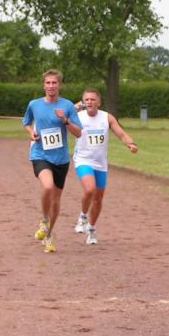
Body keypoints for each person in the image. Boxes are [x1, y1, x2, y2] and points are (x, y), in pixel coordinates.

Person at [23, 70, 82, 253]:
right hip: (40, 154)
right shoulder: (34, 104)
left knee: (56, 200)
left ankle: (49, 235)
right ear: (43, 85)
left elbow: (78, 133)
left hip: (61, 159)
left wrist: (65, 120)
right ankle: (44, 220)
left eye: (54, 83)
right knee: (47, 187)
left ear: (59, 85)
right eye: (48, 83)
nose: (51, 86)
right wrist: (31, 133)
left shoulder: (68, 106)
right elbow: (26, 123)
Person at [73, 88, 138, 245]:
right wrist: (72, 109)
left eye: (93, 99)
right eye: (87, 100)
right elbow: (60, 119)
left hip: (101, 163)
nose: (90, 102)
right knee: (90, 189)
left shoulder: (107, 117)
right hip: (83, 160)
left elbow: (121, 134)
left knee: (98, 199)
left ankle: (91, 229)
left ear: (99, 102)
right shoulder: (77, 117)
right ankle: (82, 217)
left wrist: (130, 144)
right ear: (83, 102)